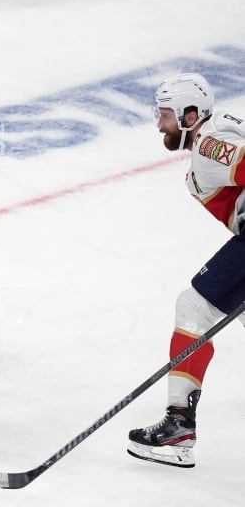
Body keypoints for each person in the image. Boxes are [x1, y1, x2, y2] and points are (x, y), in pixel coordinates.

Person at [127, 73, 245, 468]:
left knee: (194, 309)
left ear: (190, 115)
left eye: (165, 115)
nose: (159, 124)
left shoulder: (210, 145)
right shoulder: (217, 134)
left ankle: (179, 425)